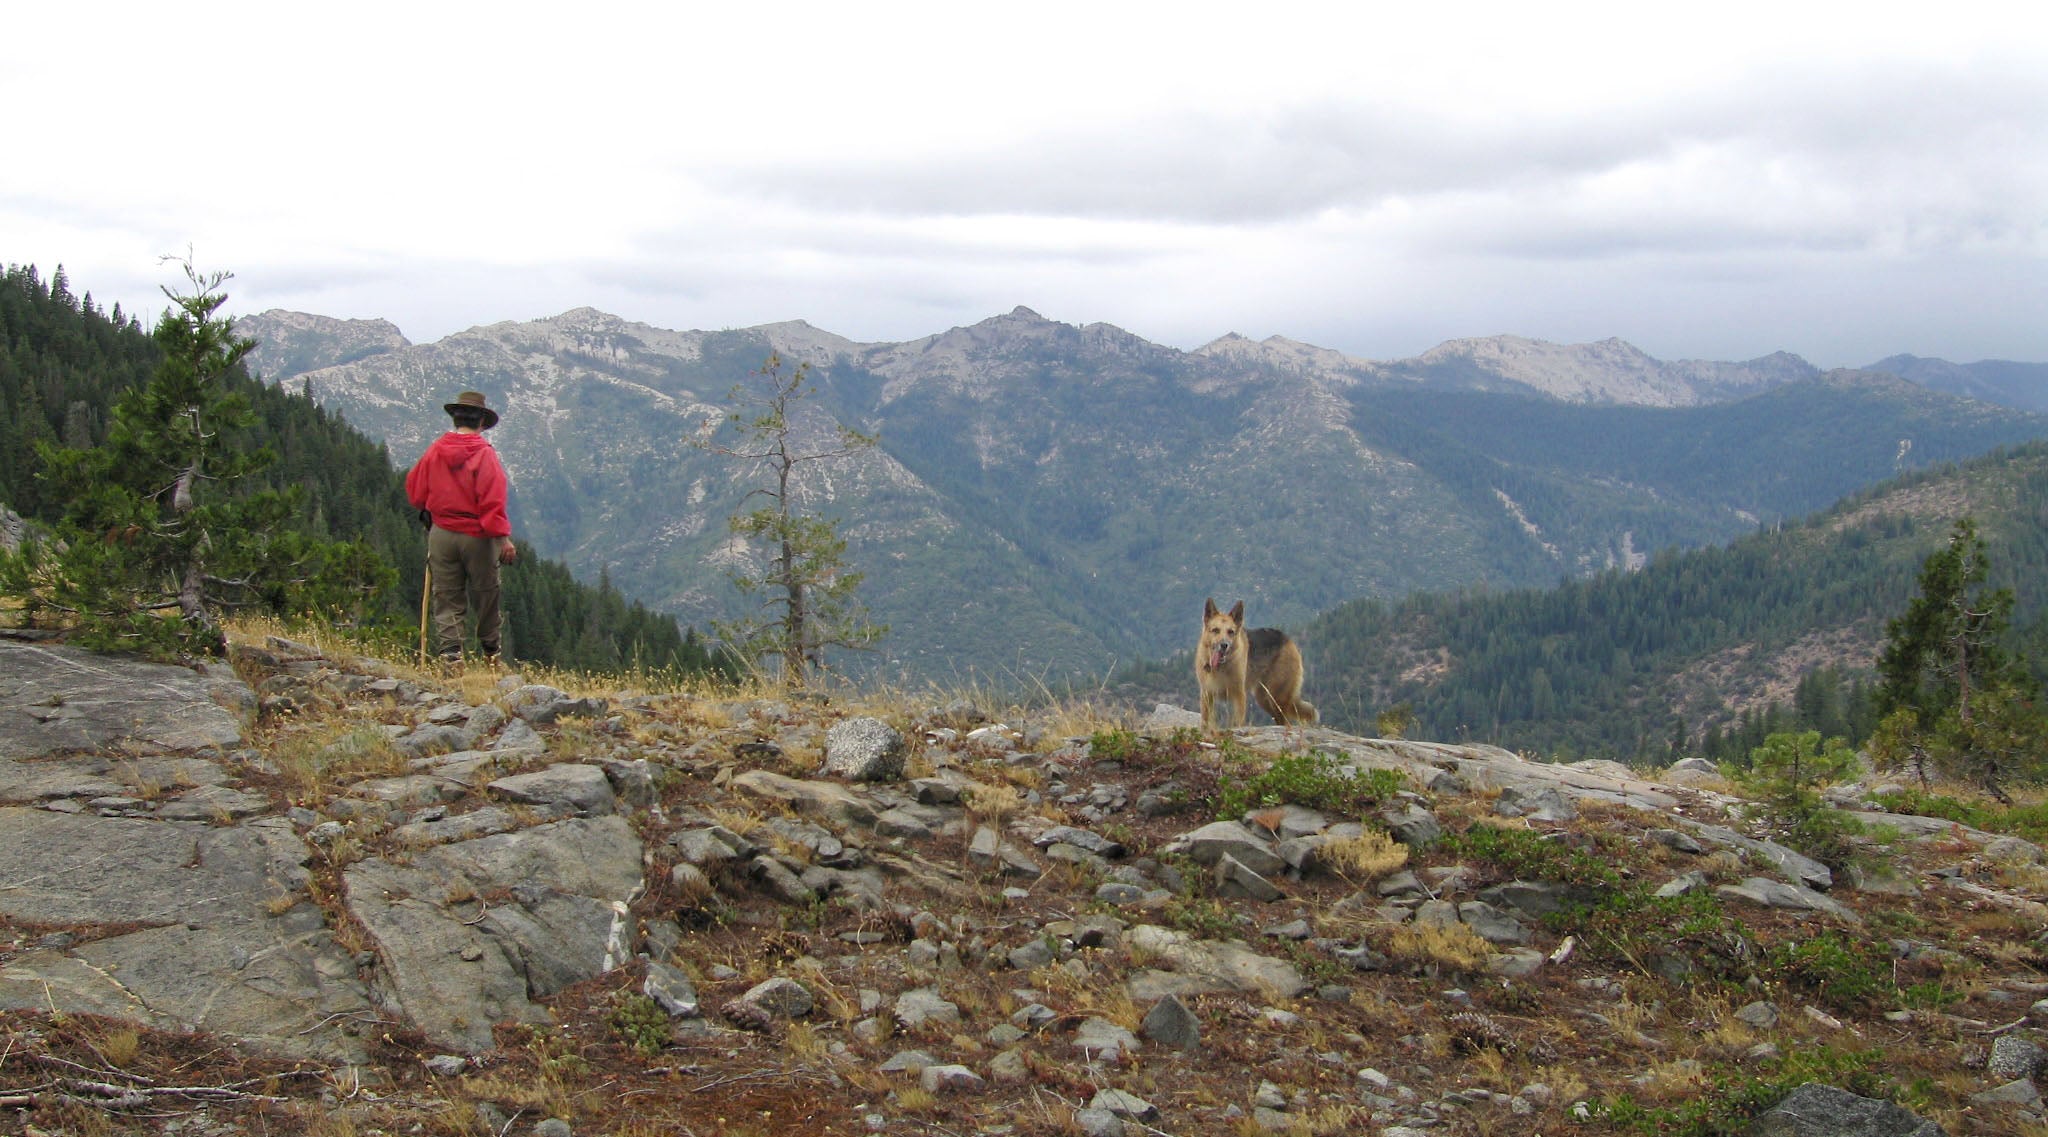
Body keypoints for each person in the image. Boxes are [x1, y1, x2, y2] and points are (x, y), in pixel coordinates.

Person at [406, 391, 518, 663]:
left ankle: (450, 655)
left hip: (441, 533)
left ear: (456, 419)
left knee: (446, 595)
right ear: (481, 422)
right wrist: (503, 539)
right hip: (477, 537)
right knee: (486, 593)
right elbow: (492, 501)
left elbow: (415, 492)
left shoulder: (435, 450)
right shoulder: (484, 454)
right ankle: (491, 653)